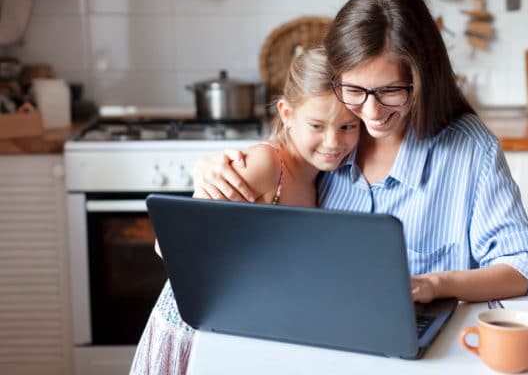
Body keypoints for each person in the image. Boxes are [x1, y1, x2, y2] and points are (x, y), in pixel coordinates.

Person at [192, 0, 528, 304]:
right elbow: (276, 161)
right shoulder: (337, 133)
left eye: (391, 91)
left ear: (423, 79)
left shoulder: (470, 149)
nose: (372, 112)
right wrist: (208, 170)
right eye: (354, 90)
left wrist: (436, 284)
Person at [129, 47, 361, 375]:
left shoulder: (321, 177)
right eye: (317, 125)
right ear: (286, 113)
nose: (332, 141)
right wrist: (200, 192)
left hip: (244, 328)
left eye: (348, 127)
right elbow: (168, 245)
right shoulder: (267, 166)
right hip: (195, 328)